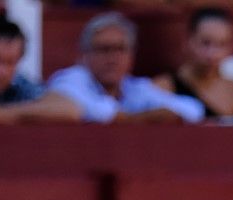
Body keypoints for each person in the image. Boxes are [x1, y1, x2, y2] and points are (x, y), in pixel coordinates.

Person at [46, 13, 207, 125]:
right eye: (104, 49)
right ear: (84, 55)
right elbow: (98, 113)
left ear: (132, 55)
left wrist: (164, 114)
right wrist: (150, 118)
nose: (113, 58)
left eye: (121, 49)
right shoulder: (70, 79)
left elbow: (193, 110)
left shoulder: (133, 87)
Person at [153, 8, 233, 120]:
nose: (213, 54)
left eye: (222, 44)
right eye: (205, 43)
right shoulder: (162, 88)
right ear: (187, 42)